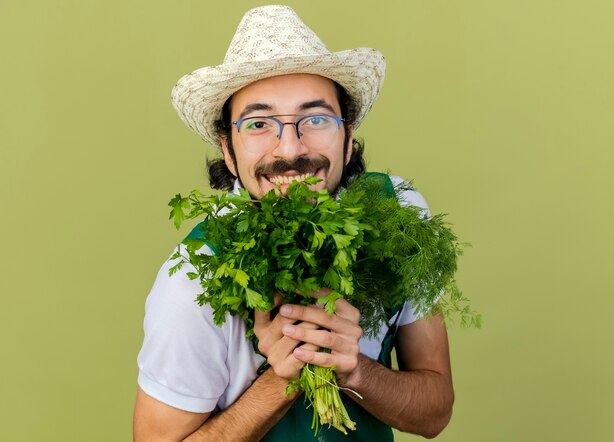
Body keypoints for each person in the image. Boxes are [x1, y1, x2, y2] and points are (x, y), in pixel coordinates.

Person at [134, 5, 454, 441]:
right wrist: (282, 378)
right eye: (259, 123)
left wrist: (353, 368)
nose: (290, 148)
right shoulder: (193, 278)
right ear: (228, 151)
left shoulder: (398, 214)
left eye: (316, 118)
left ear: (347, 136)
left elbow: (434, 414)